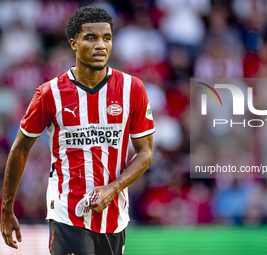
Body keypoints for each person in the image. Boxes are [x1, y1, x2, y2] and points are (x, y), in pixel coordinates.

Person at [1, 6, 155, 255]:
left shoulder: (132, 89)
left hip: (114, 217)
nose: (101, 46)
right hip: (66, 212)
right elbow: (20, 149)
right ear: (74, 43)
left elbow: (146, 152)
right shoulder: (49, 93)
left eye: (107, 38)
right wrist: (6, 210)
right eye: (91, 38)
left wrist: (113, 189)